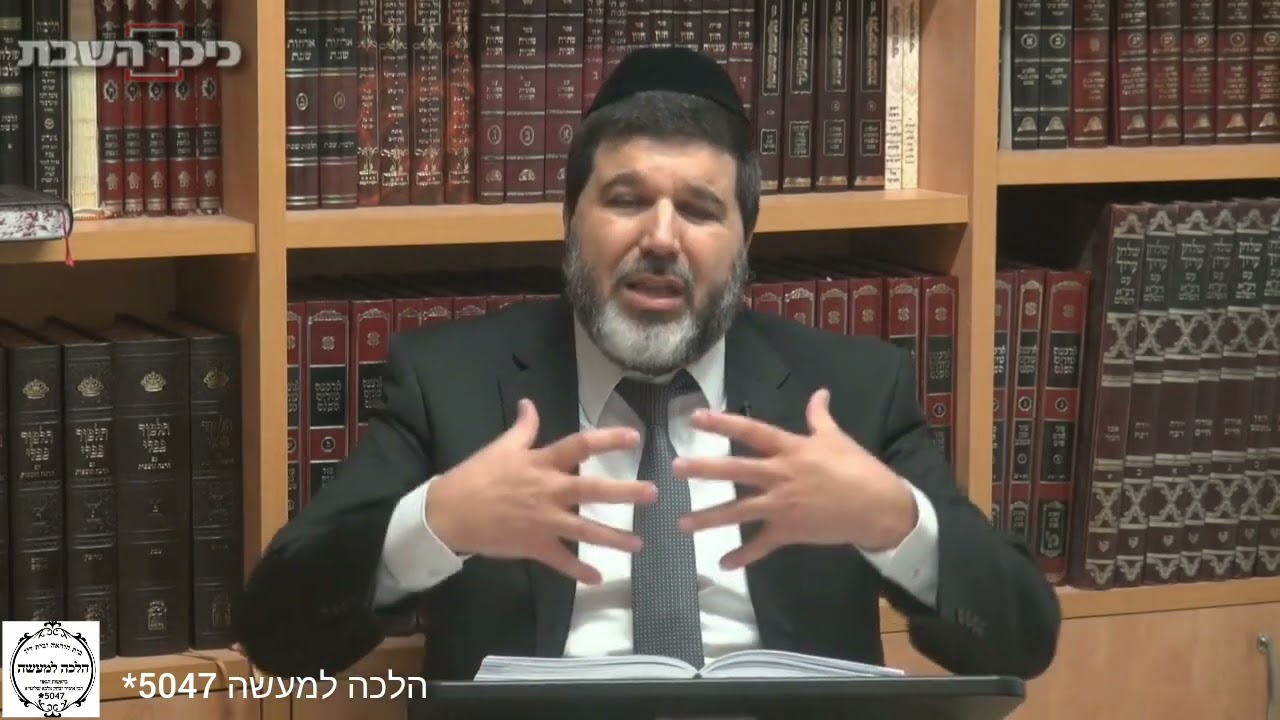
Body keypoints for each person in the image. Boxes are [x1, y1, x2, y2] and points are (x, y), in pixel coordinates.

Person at [232, 46, 1061, 701]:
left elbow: (1023, 639)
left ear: (744, 244)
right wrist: (437, 524)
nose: (661, 237)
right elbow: (276, 634)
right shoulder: (450, 382)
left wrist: (896, 523)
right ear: (570, 221)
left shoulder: (851, 391)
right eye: (627, 200)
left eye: (700, 210)